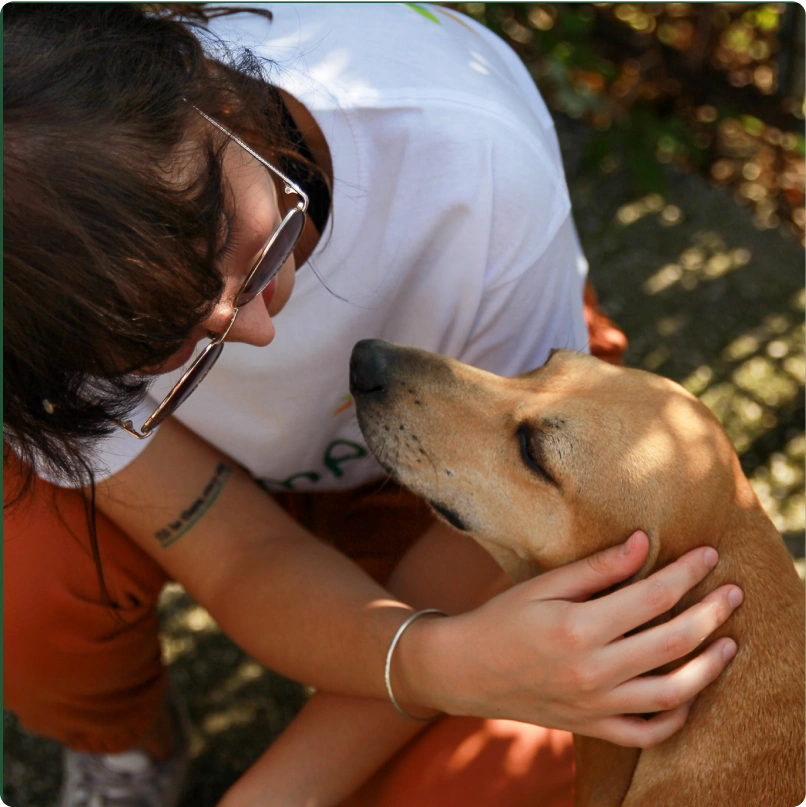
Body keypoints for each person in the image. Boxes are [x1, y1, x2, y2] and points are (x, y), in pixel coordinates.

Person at [3, 5, 743, 807]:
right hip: (228, 477)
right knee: (23, 588)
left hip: (453, 469)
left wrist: (432, 672)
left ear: (208, 95)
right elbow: (238, 555)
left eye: (240, 247)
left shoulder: (471, 161)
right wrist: (435, 664)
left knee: (459, 784)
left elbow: (489, 535)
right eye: (175, 351)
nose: (257, 326)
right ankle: (130, 749)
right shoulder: (36, 315)